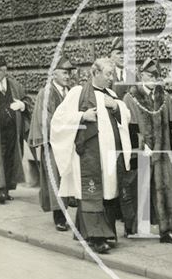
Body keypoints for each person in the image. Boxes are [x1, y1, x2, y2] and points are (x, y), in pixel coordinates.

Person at [50, 58, 132, 254]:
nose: (111, 79)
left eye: (112, 74)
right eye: (108, 74)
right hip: (88, 155)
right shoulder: (77, 93)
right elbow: (58, 120)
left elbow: (127, 116)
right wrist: (82, 116)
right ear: (95, 73)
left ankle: (105, 232)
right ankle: (96, 238)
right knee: (92, 192)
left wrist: (116, 107)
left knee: (108, 193)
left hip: (109, 156)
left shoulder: (111, 94)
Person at [121, 56, 172, 242]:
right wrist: (141, 145)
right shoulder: (130, 98)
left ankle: (166, 229)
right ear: (141, 75)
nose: (153, 80)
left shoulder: (165, 97)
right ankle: (134, 227)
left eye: (156, 76)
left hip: (162, 151)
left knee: (165, 188)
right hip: (141, 150)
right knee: (139, 189)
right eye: (149, 75)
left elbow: (171, 124)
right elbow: (128, 128)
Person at [28, 57, 76, 231]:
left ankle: (66, 212)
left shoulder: (70, 92)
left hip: (69, 143)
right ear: (54, 73)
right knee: (55, 178)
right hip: (53, 143)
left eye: (69, 73)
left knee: (67, 177)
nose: (67, 76)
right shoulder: (46, 93)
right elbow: (44, 119)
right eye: (64, 72)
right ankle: (59, 217)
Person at [0, 56, 27, 204]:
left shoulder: (15, 86)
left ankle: (7, 189)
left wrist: (22, 105)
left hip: (13, 131)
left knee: (10, 159)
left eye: (1, 70)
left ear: (6, 70)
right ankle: (0, 191)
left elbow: (27, 101)